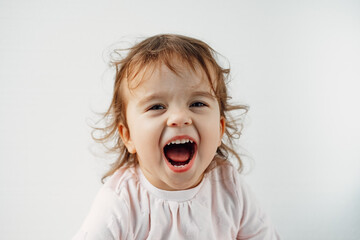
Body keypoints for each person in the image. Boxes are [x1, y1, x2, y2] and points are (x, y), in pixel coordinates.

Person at [73, 34, 280, 239]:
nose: (180, 117)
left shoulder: (229, 187)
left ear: (220, 129)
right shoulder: (121, 202)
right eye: (157, 106)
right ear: (128, 136)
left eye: (197, 103)